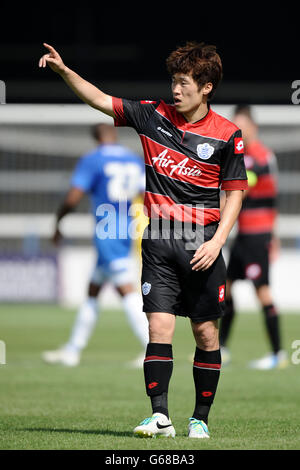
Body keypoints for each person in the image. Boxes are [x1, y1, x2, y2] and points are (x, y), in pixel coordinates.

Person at [39, 41, 248, 439]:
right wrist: (64, 71)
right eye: (173, 81)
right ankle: (160, 416)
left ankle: (200, 418)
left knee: (205, 334)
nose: (176, 89)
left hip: (203, 243)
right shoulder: (151, 115)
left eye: (184, 82)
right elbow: (99, 99)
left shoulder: (227, 134)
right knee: (159, 328)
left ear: (206, 87)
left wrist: (218, 241)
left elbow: (235, 192)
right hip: (158, 242)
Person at [42, 123, 149, 368]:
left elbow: (74, 196)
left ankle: (151, 350)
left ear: (96, 139)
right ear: (114, 135)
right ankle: (72, 350)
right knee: (93, 291)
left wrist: (58, 221)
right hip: (126, 228)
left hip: (107, 232)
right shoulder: (133, 160)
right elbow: (146, 195)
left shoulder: (93, 160)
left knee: (126, 290)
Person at [219, 105, 288, 370]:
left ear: (253, 127)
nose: (238, 132)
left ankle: (278, 353)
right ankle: (222, 348)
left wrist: (210, 218)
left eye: (241, 127)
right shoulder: (256, 156)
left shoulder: (256, 158)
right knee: (225, 285)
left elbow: (239, 192)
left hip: (256, 237)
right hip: (246, 235)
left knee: (263, 293)